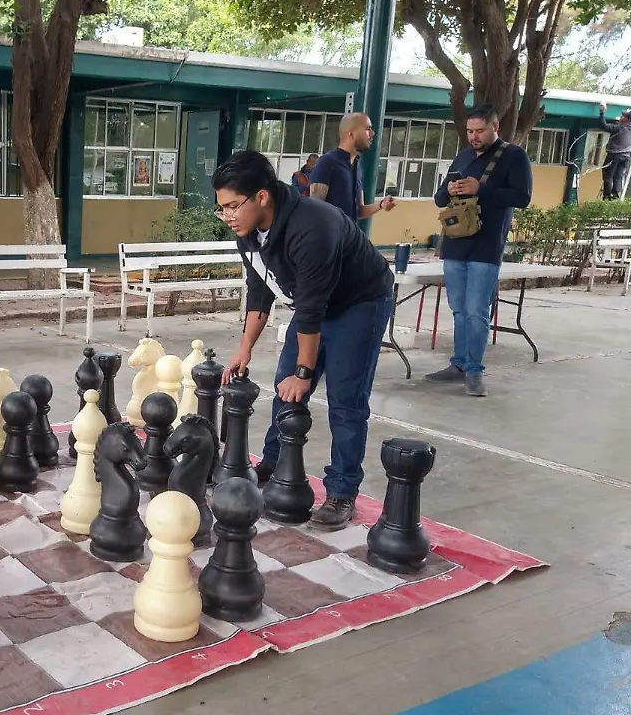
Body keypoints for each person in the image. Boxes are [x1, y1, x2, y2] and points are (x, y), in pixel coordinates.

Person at [213, 150, 394, 531]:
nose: (227, 216)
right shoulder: (248, 230)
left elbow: (311, 311)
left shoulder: (312, 226)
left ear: (262, 196)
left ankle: (342, 491)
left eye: (232, 206)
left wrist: (304, 372)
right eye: (222, 208)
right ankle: (275, 461)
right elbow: (260, 290)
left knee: (345, 399)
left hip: (359, 302)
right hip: (313, 304)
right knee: (285, 389)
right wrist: (245, 348)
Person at [426, 104, 532, 397]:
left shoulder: (513, 156)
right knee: (459, 309)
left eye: (480, 131)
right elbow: (439, 198)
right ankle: (458, 364)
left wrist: (480, 189)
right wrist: (449, 191)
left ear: (495, 127)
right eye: (470, 131)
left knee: (476, 311)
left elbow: (522, 197)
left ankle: (474, 370)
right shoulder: (462, 156)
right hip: (455, 243)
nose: (474, 136)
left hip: (486, 246)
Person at [308, 112, 397, 223]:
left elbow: (359, 211)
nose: (372, 133)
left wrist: (381, 204)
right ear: (351, 133)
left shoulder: (356, 166)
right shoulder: (327, 163)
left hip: (350, 233)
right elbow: (314, 211)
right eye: (367, 129)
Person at [596, 102, 630, 200]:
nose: (621, 117)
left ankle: (607, 197)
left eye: (623, 116)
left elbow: (603, 126)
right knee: (618, 176)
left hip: (615, 155)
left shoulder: (620, 127)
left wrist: (602, 112)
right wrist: (618, 123)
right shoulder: (623, 127)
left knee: (608, 175)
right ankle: (615, 196)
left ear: (627, 119)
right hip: (626, 156)